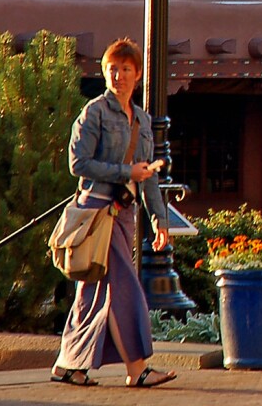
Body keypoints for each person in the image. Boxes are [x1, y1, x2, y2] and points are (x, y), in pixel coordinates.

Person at [50, 38, 176, 388]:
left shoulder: (143, 120)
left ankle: (68, 366)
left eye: (125, 69)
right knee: (125, 288)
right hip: (96, 214)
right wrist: (126, 173)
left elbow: (147, 175)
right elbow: (78, 164)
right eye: (111, 68)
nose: (117, 75)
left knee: (91, 294)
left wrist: (159, 221)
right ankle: (137, 370)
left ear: (137, 75)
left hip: (123, 216)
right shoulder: (94, 112)